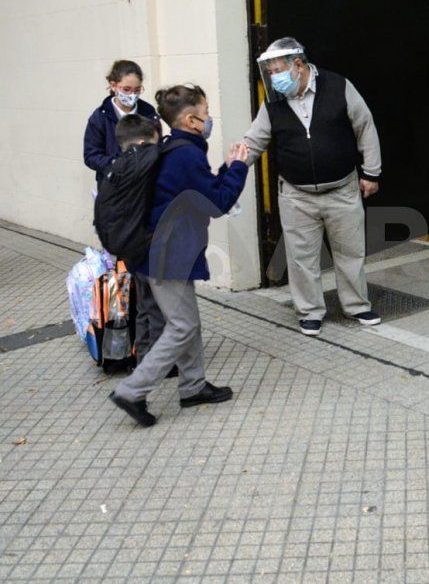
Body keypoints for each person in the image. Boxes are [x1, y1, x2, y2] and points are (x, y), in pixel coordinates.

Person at [109, 85, 249, 427]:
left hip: (168, 251)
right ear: (191, 119)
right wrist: (239, 167)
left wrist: (225, 169)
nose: (209, 118)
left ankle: (193, 386)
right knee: (182, 325)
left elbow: (202, 192)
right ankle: (132, 390)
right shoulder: (185, 154)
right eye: (206, 112)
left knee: (188, 322)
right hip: (167, 255)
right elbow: (218, 203)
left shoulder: (177, 148)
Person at [244, 37, 382, 336]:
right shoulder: (274, 101)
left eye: (278, 69)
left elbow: (365, 126)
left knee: (350, 252)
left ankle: (357, 305)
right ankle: (309, 311)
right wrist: (235, 164)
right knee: (301, 257)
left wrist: (372, 172)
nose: (274, 77)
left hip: (342, 189)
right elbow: (255, 140)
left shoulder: (339, 86)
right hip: (296, 195)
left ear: (298, 64)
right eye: (270, 71)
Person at [112, 115, 173, 374]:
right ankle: (160, 364)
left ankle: (143, 358)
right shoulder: (143, 170)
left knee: (144, 306)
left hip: (130, 248)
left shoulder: (118, 168)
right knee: (158, 308)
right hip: (150, 248)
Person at [84, 60, 161, 181]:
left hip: (144, 182)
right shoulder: (100, 117)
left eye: (137, 90)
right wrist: (116, 163)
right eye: (126, 89)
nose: (132, 94)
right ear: (113, 85)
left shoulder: (148, 113)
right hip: (113, 184)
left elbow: (158, 146)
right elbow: (91, 156)